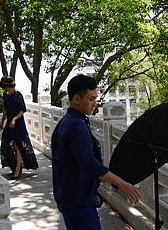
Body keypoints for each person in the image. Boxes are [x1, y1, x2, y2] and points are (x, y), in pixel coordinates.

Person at [51, 74, 140, 230]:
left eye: (96, 99)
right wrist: (122, 183)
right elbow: (89, 164)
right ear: (76, 99)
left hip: (71, 197)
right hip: (78, 201)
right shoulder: (76, 126)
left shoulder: (69, 121)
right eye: (91, 99)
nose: (95, 104)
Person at [0, 76, 38, 180]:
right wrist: (2, 121)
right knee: (6, 144)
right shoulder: (5, 95)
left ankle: (17, 170)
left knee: (18, 146)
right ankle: (14, 166)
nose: (6, 90)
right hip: (9, 123)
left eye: (6, 87)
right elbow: (5, 109)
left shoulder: (18, 95)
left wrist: (14, 119)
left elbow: (22, 110)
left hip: (18, 123)